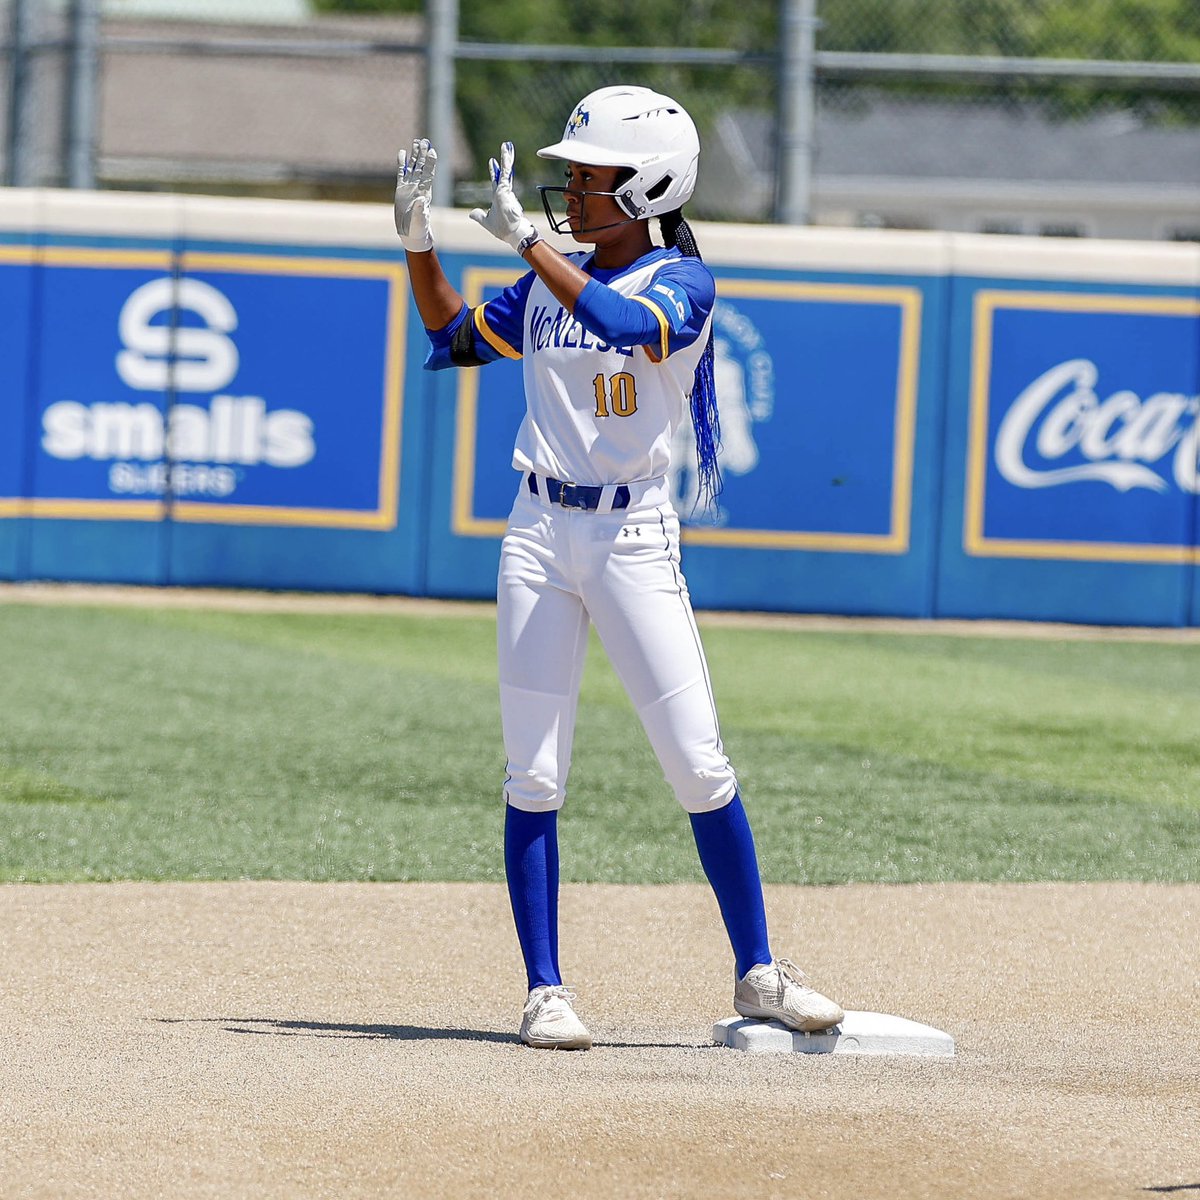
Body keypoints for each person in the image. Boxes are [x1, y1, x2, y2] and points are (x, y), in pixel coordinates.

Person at [394, 85, 844, 1050]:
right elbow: (452, 336)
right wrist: (417, 241)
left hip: (632, 535)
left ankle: (759, 970)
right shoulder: (554, 279)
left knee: (698, 763)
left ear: (649, 187)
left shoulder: (681, 281)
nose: (572, 192)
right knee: (533, 771)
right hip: (538, 531)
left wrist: (529, 246)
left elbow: (629, 329)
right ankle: (544, 990)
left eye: (591, 177)